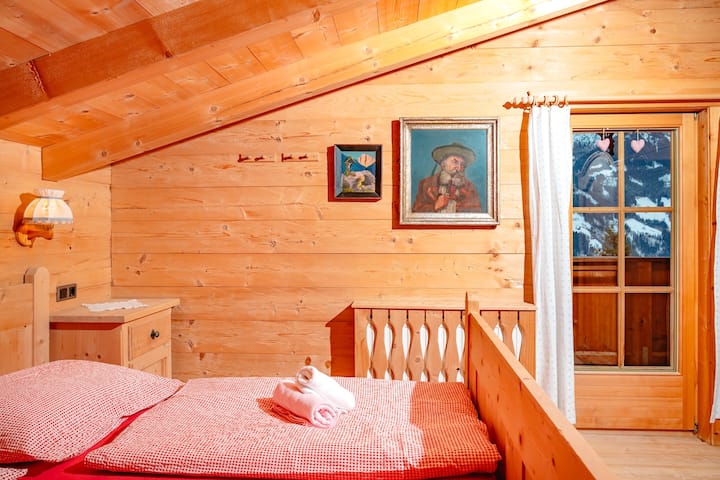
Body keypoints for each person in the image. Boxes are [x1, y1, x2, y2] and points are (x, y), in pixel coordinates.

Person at [412, 142, 482, 213]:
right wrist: (435, 206)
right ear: (443, 164)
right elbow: (415, 212)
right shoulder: (426, 184)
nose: (459, 168)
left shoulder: (470, 188)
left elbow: (476, 213)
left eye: (462, 164)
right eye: (455, 162)